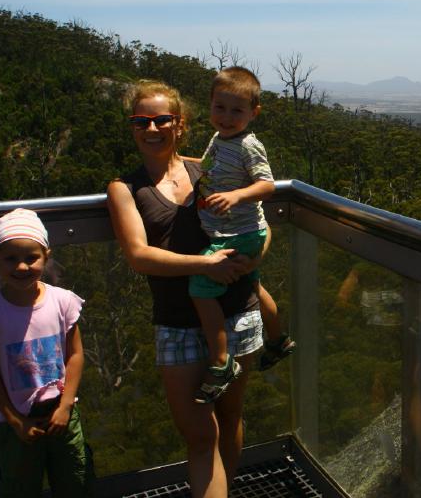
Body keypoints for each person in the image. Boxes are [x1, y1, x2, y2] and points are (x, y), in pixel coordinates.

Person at [106, 80, 262, 498]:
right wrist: (207, 265)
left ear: (180, 124)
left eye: (162, 120)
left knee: (230, 418)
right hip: (177, 325)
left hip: (236, 312)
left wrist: (253, 257)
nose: (151, 128)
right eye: (140, 121)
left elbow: (255, 220)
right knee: (200, 435)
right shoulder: (125, 189)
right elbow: (139, 256)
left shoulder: (208, 169)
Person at [0, 208, 93, 497]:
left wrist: (65, 406)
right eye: (11, 258)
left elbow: (75, 354)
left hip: (62, 413)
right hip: (15, 423)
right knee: (18, 488)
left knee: (75, 482)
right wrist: (14, 420)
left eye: (31, 258)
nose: (21, 267)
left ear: (46, 256)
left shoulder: (62, 302)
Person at [189, 66, 295, 404]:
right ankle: (278, 340)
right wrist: (176, 160)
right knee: (252, 285)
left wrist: (236, 196)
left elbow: (267, 185)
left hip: (238, 233)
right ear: (210, 105)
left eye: (237, 110)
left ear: (254, 113)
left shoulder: (249, 145)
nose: (227, 117)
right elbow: (208, 167)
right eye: (220, 107)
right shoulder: (219, 139)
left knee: (200, 287)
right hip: (235, 230)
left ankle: (221, 362)